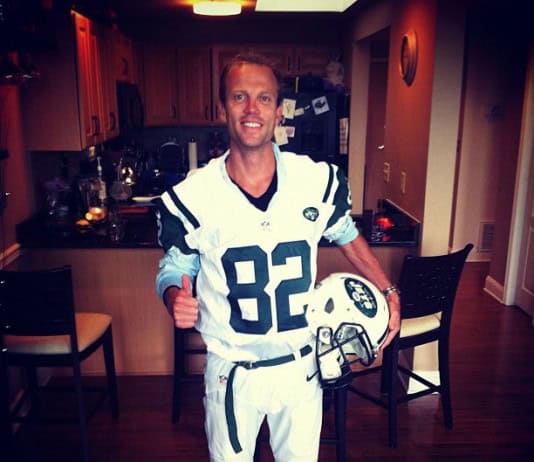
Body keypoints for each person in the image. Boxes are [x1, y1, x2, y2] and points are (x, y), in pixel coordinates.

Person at [155, 53, 400, 462]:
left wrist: (387, 289)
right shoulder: (195, 195)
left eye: (264, 98)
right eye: (239, 97)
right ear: (222, 109)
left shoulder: (313, 180)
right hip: (232, 370)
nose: (252, 109)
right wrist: (172, 297)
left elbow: (344, 232)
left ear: (279, 111)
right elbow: (175, 267)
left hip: (301, 366)